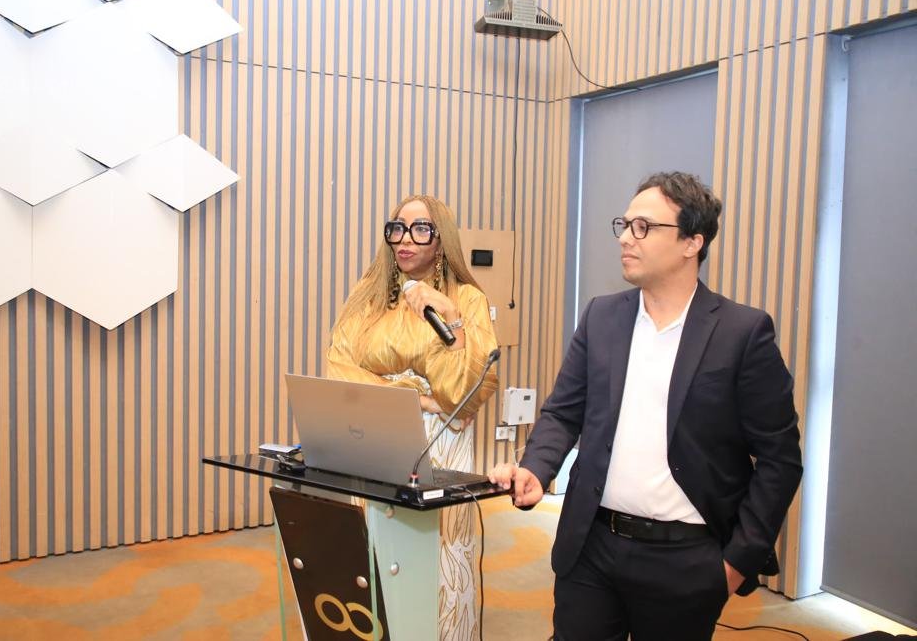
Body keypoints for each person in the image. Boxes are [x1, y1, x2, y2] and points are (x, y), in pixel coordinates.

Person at [489, 172, 803, 641]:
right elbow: (563, 412)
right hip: (591, 545)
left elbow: (780, 459)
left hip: (686, 559)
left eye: (643, 227)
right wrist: (537, 466)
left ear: (692, 242)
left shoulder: (742, 333)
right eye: (624, 224)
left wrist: (735, 564)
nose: (625, 238)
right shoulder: (601, 316)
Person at [327, 194, 499, 641]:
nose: (405, 239)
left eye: (420, 229)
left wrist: (449, 315)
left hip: (439, 445)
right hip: (375, 435)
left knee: (437, 565)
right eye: (397, 228)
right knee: (376, 557)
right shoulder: (367, 298)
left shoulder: (466, 300)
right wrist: (417, 397)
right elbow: (339, 371)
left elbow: (463, 392)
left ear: (441, 241)